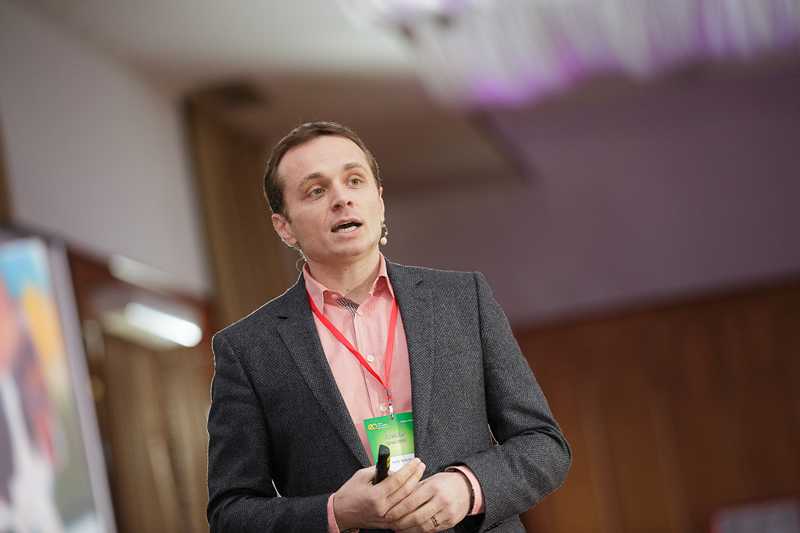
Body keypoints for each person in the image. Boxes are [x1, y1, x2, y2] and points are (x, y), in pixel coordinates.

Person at [206, 122, 571, 533]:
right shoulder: (248, 349)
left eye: (354, 180)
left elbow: (544, 444)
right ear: (284, 227)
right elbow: (230, 513)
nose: (342, 198)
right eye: (316, 190)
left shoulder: (462, 300)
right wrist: (336, 512)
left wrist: (468, 487)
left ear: (379, 203)